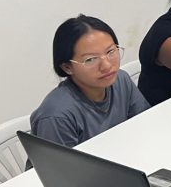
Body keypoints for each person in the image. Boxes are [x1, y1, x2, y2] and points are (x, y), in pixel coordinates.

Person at [31, 15, 149, 148]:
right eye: (90, 59)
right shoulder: (56, 116)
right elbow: (60, 167)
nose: (106, 66)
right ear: (67, 67)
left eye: (110, 51)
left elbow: (144, 125)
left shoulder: (121, 80)